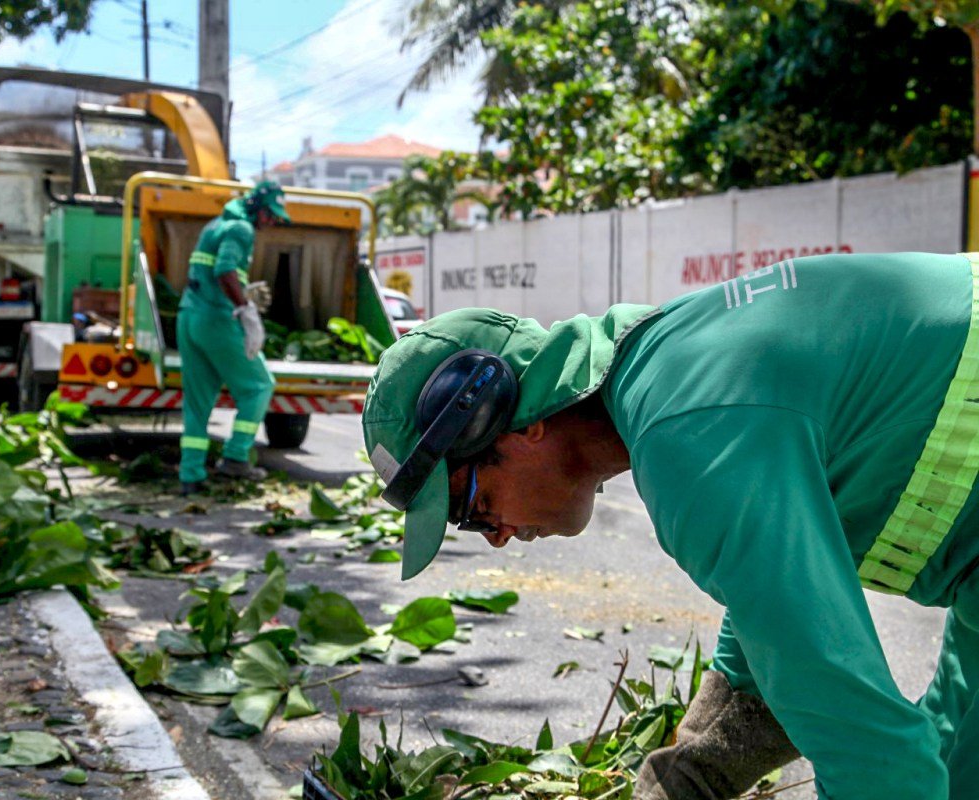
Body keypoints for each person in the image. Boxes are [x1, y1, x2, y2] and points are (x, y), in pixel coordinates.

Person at [361, 251, 979, 800]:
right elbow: (781, 597)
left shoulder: (686, 435)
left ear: (510, 422)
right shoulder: (671, 375)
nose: (495, 536)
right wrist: (702, 759)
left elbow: (866, 745)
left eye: (469, 509)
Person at [176, 181, 290, 495]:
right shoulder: (241, 228)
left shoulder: (216, 224)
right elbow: (225, 269)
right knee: (259, 386)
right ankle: (237, 456)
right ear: (255, 207)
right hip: (216, 319)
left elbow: (212, 273)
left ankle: (191, 476)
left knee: (197, 403)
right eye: (269, 214)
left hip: (189, 316)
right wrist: (245, 309)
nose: (272, 221)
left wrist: (241, 293)